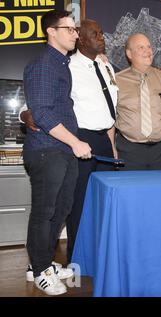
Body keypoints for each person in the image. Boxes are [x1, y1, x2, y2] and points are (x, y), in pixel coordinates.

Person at [21, 19, 119, 267]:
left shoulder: (107, 67)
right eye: (93, 33)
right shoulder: (65, 65)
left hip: (103, 141)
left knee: (98, 203)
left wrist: (112, 144)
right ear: (81, 39)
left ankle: (99, 254)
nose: (101, 37)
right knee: (74, 205)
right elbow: (38, 104)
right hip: (76, 139)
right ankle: (77, 259)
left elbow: (109, 111)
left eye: (101, 32)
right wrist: (26, 114)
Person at [22, 10, 92, 296]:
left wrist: (71, 144)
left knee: (60, 211)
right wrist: (75, 142)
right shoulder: (43, 64)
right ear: (52, 31)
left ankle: (39, 264)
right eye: (70, 29)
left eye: (75, 30)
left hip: (63, 150)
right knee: (45, 212)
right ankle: (40, 271)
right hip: (46, 151)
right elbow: (41, 112)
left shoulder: (60, 64)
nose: (76, 34)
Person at [115, 33, 161, 170]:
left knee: (160, 191)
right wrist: (112, 148)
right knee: (131, 191)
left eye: (149, 46)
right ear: (129, 53)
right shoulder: (117, 80)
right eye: (141, 47)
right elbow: (110, 117)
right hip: (129, 151)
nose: (148, 51)